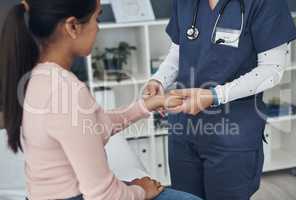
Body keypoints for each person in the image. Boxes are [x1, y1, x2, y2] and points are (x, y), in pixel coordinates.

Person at [0, 0, 203, 200]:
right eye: (97, 18)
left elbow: (92, 126)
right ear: (72, 27)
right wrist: (141, 191)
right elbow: (104, 195)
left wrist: (148, 105)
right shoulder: (65, 90)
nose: (97, 28)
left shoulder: (39, 77)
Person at [144, 0, 296, 199]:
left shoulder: (265, 3)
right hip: (185, 127)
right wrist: (159, 79)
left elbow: (272, 69)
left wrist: (215, 96)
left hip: (233, 131)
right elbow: (178, 49)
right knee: (184, 196)